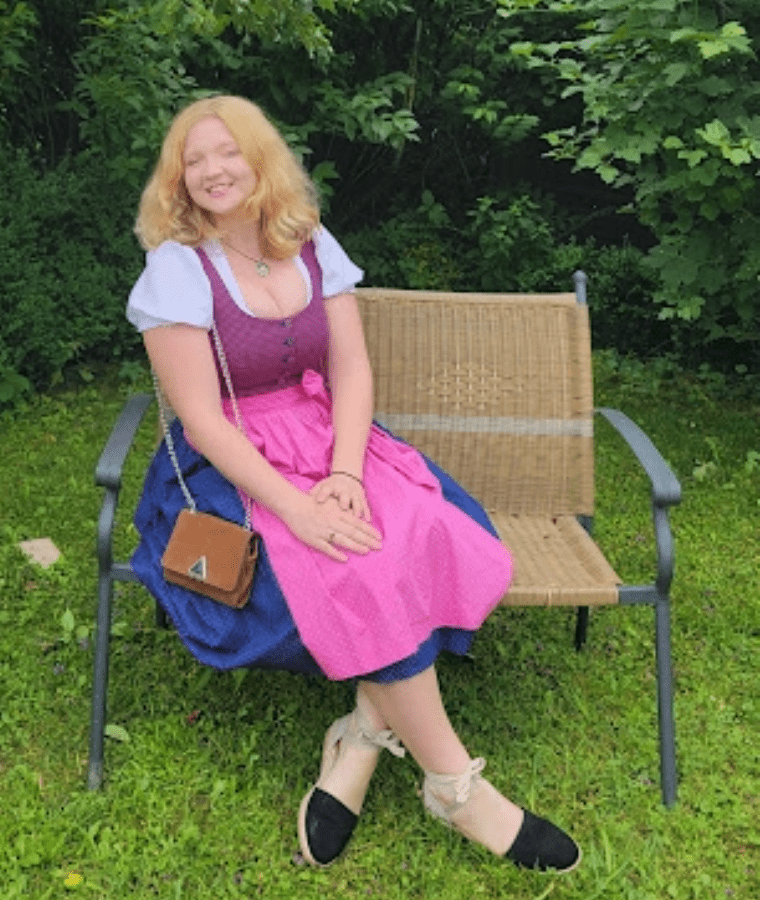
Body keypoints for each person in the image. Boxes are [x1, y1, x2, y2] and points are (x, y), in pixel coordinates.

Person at [126, 94, 580, 872]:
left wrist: (343, 470)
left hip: (333, 440)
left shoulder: (306, 241)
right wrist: (298, 508)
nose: (210, 171)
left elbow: (351, 368)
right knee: (353, 564)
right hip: (239, 468)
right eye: (192, 161)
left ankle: (363, 738)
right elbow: (203, 421)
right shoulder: (177, 268)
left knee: (426, 530)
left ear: (260, 157)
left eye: (225, 152)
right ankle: (455, 785)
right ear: (177, 180)